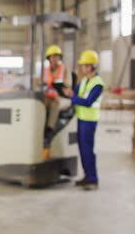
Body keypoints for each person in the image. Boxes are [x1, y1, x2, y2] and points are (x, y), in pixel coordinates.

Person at [63, 50, 104, 191]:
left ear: (91, 66)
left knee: (88, 150)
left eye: (84, 65)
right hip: (81, 119)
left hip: (90, 121)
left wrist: (72, 97)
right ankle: (87, 176)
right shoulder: (85, 80)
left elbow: (88, 102)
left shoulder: (98, 84)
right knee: (82, 149)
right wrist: (69, 93)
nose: (81, 68)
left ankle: (93, 179)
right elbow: (75, 92)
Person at [43, 45, 72, 142]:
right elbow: (42, 84)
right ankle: (40, 126)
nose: (55, 58)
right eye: (53, 56)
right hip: (49, 96)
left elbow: (68, 86)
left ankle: (49, 130)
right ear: (49, 58)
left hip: (62, 97)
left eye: (57, 56)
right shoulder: (45, 70)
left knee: (55, 104)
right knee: (41, 104)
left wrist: (59, 91)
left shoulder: (64, 69)